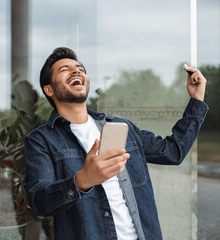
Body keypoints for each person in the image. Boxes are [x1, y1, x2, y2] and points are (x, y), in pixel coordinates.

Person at [23, 47, 208, 240]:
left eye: (80, 68)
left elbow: (172, 151)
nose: (77, 71)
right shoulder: (41, 140)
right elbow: (40, 202)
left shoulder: (122, 127)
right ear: (49, 89)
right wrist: (82, 181)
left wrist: (197, 100)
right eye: (64, 69)